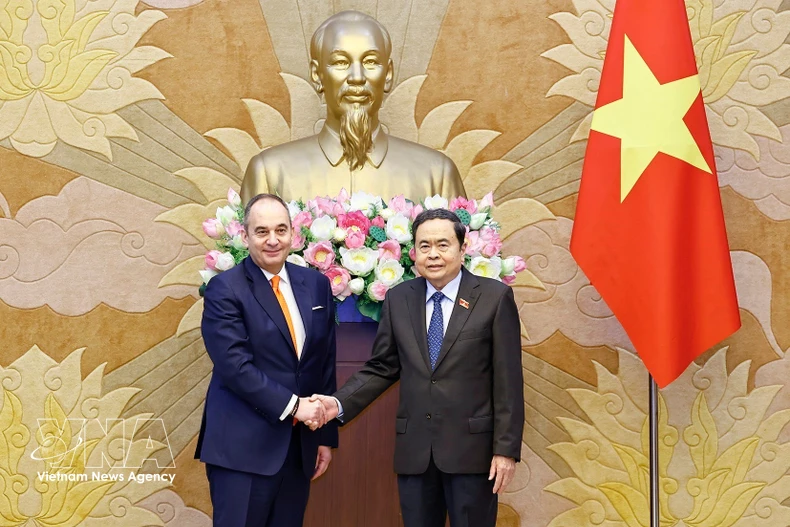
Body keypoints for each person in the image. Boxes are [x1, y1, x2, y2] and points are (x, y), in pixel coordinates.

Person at [312, 208, 524, 527]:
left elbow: (508, 382)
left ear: (462, 248)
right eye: (424, 246)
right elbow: (382, 367)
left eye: (443, 244)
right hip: (416, 454)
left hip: (473, 454)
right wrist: (337, 403)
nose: (433, 254)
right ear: (413, 253)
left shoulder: (494, 298)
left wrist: (505, 450)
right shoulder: (399, 299)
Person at [195, 193, 338, 527]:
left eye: (281, 230)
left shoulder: (316, 285)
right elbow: (235, 367)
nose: (273, 240)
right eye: (261, 232)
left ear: (294, 234)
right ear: (245, 237)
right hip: (242, 452)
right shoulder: (224, 289)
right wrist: (293, 407)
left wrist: (323, 438)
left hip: (299, 448)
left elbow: (323, 361)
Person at [240, 10, 466, 204]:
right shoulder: (269, 174)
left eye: (370, 62)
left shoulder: (437, 176)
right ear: (317, 75)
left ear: (387, 75)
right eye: (341, 62)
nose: (357, 77)